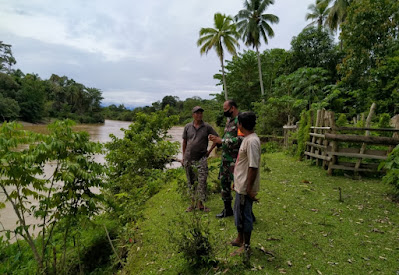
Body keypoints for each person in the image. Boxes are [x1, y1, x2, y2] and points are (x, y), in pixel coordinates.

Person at [230, 112, 261, 263]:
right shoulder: (248, 139)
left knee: (244, 216)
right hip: (240, 184)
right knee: (239, 214)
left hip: (244, 187)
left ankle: (246, 246)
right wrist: (236, 182)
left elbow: (253, 166)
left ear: (241, 125)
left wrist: (248, 188)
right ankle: (240, 239)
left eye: (238, 123)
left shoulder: (252, 141)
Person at [209, 100, 243, 218]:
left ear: (232, 108)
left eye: (225, 109)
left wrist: (222, 141)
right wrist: (217, 140)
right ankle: (227, 210)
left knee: (239, 186)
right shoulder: (228, 121)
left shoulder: (240, 120)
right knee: (224, 184)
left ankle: (244, 212)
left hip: (236, 159)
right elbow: (227, 137)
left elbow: (241, 139)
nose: (224, 112)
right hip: (225, 159)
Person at [182, 106, 218, 212]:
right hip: (189, 158)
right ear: (193, 115)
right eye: (197, 113)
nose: (199, 115)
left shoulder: (207, 127)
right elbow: (184, 142)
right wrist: (183, 157)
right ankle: (192, 204)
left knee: (202, 181)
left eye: (201, 113)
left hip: (201, 159)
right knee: (191, 181)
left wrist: (209, 151)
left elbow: (216, 139)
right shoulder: (187, 127)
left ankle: (200, 204)